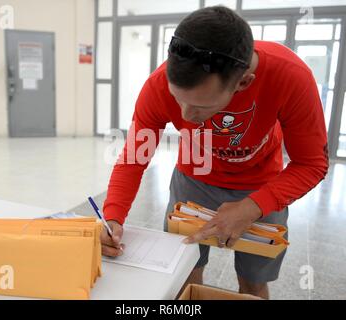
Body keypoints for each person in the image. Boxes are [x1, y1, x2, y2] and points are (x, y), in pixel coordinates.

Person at [100, 6, 329, 299]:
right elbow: (134, 158)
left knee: (253, 283)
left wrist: (252, 207)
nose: (186, 117)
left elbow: (312, 164)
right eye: (177, 99)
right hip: (193, 181)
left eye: (202, 107)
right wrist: (114, 218)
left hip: (262, 185)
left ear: (244, 83)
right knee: (184, 273)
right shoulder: (156, 87)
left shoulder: (290, 76)